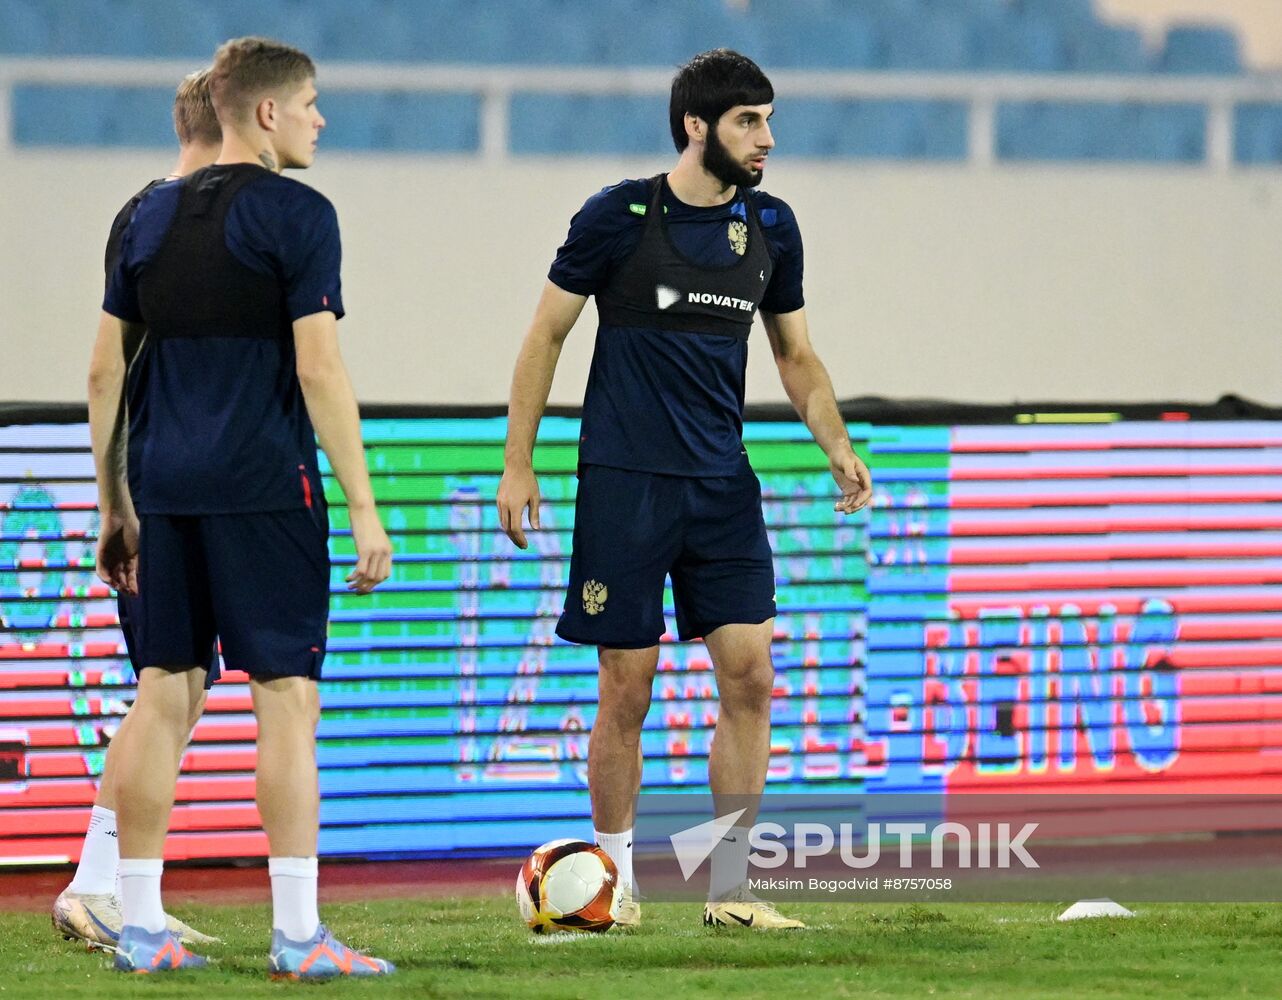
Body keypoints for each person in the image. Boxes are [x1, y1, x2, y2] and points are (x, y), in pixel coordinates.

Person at [497, 48, 873, 931]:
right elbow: (545, 337)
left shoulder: (773, 226)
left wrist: (837, 444)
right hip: (625, 483)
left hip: (721, 487)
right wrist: (520, 461)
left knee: (751, 675)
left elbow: (795, 356)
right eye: (749, 121)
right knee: (626, 688)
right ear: (696, 127)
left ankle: (730, 893)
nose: (767, 138)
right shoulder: (617, 216)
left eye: (770, 119)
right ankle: (614, 889)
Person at [88, 37, 394, 978]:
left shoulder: (140, 217)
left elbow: (105, 371)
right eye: (309, 103)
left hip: (162, 490)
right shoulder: (299, 214)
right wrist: (365, 507)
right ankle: (298, 936)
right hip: (264, 488)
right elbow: (318, 367)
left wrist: (115, 506)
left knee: (162, 694)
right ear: (265, 112)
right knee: (287, 702)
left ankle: (137, 926)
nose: (319, 119)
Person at [54, 67, 223, 955]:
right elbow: (106, 369)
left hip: (170, 488)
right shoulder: (163, 219)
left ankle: (114, 886)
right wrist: (115, 500)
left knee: (180, 687)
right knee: (166, 689)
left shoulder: (154, 215)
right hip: (163, 491)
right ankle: (97, 886)